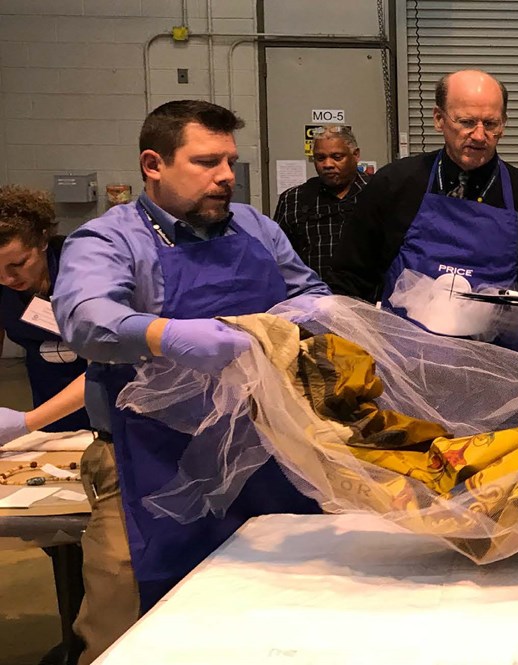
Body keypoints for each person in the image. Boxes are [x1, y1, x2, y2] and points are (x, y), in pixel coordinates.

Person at [51, 100, 329, 663]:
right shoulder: (108, 240)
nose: (226, 176)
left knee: (285, 608)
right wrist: (169, 336)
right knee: (131, 622)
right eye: (206, 162)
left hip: (268, 451)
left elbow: (310, 293)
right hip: (152, 462)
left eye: (230, 160)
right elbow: (84, 318)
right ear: (153, 164)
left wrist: (314, 317)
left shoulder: (256, 227)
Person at [326, 69, 518, 353]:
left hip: (498, 371)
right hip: (404, 366)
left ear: (504, 124)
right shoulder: (394, 185)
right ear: (439, 119)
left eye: (491, 123)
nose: (480, 135)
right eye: (467, 122)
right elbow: (349, 279)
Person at [0, 186, 89, 441]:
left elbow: (108, 367)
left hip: (108, 401)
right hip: (48, 400)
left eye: (18, 264)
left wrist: (27, 422)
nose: (6, 278)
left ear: (42, 240)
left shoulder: (83, 268)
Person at [272, 125, 369, 278]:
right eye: (320, 158)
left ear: (355, 155)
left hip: (369, 298)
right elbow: (279, 258)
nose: (328, 165)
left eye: (337, 157)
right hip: (313, 297)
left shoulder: (378, 193)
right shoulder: (294, 199)